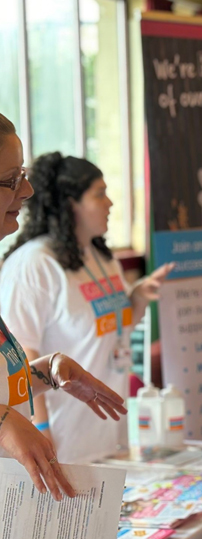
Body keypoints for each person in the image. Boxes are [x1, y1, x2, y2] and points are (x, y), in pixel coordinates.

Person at [0, 150, 174, 464]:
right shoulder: (35, 264)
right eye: (100, 194)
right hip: (59, 441)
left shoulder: (100, 256)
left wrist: (137, 297)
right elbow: (22, 355)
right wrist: (40, 428)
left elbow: (113, 328)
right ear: (71, 203)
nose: (110, 204)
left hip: (106, 435)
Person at [0, 112, 128, 500]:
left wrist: (47, 373)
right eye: (11, 180)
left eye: (24, 175)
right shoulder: (32, 264)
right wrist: (5, 423)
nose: (27, 191)